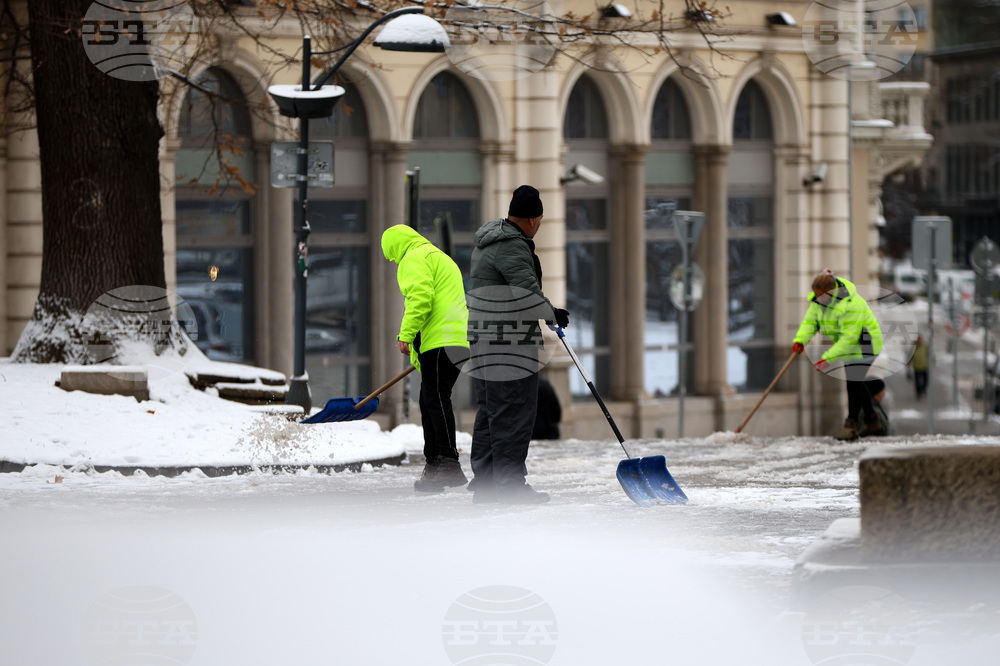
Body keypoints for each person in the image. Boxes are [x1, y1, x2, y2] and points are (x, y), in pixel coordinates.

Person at [467, 185, 569, 504]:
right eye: (539, 219)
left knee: (492, 409)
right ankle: (509, 486)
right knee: (514, 410)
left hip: (486, 337)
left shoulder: (490, 240)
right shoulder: (511, 245)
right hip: (507, 342)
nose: (539, 224)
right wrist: (552, 313)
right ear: (532, 219)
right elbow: (524, 289)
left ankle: (485, 481)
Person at [381, 224, 470, 493]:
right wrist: (420, 356)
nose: (395, 261)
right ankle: (434, 465)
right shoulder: (439, 256)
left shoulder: (413, 258)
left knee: (436, 398)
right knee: (429, 398)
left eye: (392, 255)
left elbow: (420, 298)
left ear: (396, 246)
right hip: (454, 339)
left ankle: (448, 462)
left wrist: (405, 335)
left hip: (441, 339)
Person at [792, 269, 883, 440]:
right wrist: (800, 341)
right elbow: (811, 322)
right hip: (849, 346)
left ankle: (851, 426)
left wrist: (827, 358)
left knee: (853, 382)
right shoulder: (819, 301)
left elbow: (849, 338)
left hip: (866, 344)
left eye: (822, 297)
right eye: (816, 295)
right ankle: (872, 420)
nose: (818, 299)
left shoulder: (850, 304)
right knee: (857, 382)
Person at [532, 376, 562, 440]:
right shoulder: (546, 385)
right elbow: (556, 410)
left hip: (531, 429)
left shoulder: (524, 388)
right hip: (549, 429)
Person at [910, 334, 929, 398]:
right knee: (917, 381)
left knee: (926, 380)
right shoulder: (914, 347)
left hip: (924, 365)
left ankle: (923, 389)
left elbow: (929, 353)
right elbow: (910, 355)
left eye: (920, 339)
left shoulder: (925, 346)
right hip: (916, 366)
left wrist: (933, 360)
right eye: (918, 339)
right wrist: (908, 363)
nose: (919, 340)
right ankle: (918, 393)